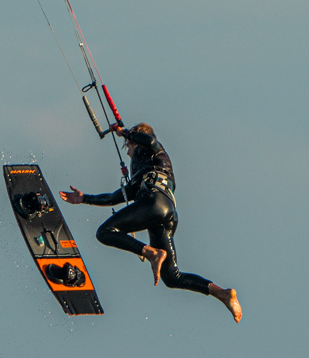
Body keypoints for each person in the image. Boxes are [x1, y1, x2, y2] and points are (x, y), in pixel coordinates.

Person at [59, 123, 242, 322]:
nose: (128, 153)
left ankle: (151, 253)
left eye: (127, 146)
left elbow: (150, 140)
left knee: (104, 232)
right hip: (166, 214)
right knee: (172, 277)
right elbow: (114, 197)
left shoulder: (155, 152)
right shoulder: (143, 175)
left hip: (155, 204)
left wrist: (126, 133)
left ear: (136, 142)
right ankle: (222, 294)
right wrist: (84, 198)